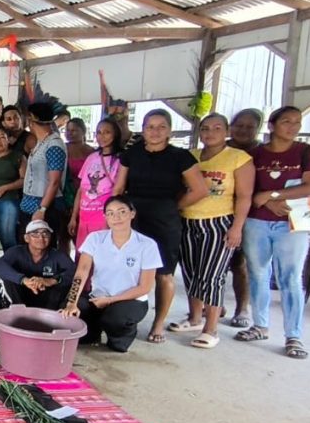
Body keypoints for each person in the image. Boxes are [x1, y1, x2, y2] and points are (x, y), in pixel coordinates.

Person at [236, 106, 310, 360]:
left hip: (292, 223)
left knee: (291, 278)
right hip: (257, 221)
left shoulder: (308, 152)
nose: (293, 127)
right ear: (272, 126)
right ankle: (260, 325)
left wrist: (273, 196)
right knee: (258, 273)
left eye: (297, 122)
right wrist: (264, 201)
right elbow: (244, 190)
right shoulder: (254, 155)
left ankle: (293, 335)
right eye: (286, 121)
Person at [113, 109, 208, 344]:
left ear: (170, 130)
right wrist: (117, 216)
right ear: (143, 130)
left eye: (161, 126)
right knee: (129, 269)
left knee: (163, 274)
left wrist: (173, 207)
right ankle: (127, 319)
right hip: (134, 218)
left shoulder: (180, 156)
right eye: (150, 126)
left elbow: (200, 190)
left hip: (165, 220)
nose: (155, 131)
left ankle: (158, 323)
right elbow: (118, 188)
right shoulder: (131, 154)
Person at [170, 113, 253, 349]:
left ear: (226, 130)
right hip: (188, 220)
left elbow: (245, 197)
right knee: (191, 272)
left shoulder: (238, 158)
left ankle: (211, 328)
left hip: (218, 222)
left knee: (213, 276)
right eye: (205, 128)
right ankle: (195, 318)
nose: (210, 132)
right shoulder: (192, 156)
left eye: (217, 127)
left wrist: (237, 227)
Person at [61, 196, 161, 352]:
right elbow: (82, 271)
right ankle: (92, 332)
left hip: (130, 300)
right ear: (105, 217)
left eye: (122, 212)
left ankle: (123, 336)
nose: (116, 217)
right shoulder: (95, 238)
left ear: (132, 214)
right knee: (71, 310)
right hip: (98, 296)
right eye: (110, 213)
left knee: (115, 321)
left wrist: (110, 300)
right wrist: (71, 302)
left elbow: (145, 287)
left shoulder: (147, 245)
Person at [225, 108, 263, 327]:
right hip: (217, 212)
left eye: (250, 127)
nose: (243, 130)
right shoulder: (220, 148)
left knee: (240, 264)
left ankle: (242, 309)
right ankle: (213, 305)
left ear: (258, 129)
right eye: (239, 125)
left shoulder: (261, 152)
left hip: (250, 214)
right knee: (213, 266)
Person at [69, 118, 122, 250]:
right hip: (85, 216)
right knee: (83, 256)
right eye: (99, 132)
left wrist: (110, 219)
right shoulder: (92, 157)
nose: (102, 136)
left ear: (115, 134)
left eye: (107, 132)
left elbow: (118, 191)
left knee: (101, 255)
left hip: (103, 217)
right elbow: (81, 190)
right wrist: (74, 217)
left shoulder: (120, 160)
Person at [0, 220, 75, 310]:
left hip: (46, 298)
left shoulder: (58, 255)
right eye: (35, 233)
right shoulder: (16, 251)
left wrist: (51, 281)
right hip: (20, 296)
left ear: (50, 237)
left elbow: (74, 271)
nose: (41, 237)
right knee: (7, 280)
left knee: (63, 284)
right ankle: (18, 314)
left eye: (45, 234)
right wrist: (24, 280)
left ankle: (49, 317)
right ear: (26, 238)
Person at [18, 102, 67, 243]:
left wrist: (42, 209)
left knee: (43, 246)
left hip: (45, 206)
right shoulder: (41, 142)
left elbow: (55, 181)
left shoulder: (54, 144)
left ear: (31, 120)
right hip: (30, 203)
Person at [61, 117, 94, 254]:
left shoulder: (91, 152)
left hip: (86, 198)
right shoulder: (61, 149)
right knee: (63, 238)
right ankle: (65, 271)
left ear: (83, 131)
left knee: (82, 239)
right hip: (63, 196)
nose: (70, 133)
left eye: (74, 130)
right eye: (67, 130)